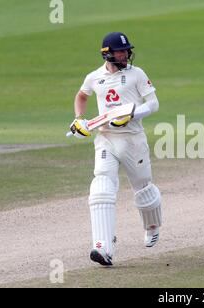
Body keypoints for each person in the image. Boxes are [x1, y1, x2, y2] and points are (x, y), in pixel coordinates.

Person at [69, 32, 162, 266]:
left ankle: (152, 226)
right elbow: (81, 95)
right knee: (101, 186)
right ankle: (103, 248)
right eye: (120, 51)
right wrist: (79, 119)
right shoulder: (94, 77)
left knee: (143, 190)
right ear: (107, 54)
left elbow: (153, 104)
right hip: (106, 139)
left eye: (126, 50)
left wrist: (130, 114)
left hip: (132, 140)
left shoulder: (136, 74)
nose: (125, 54)